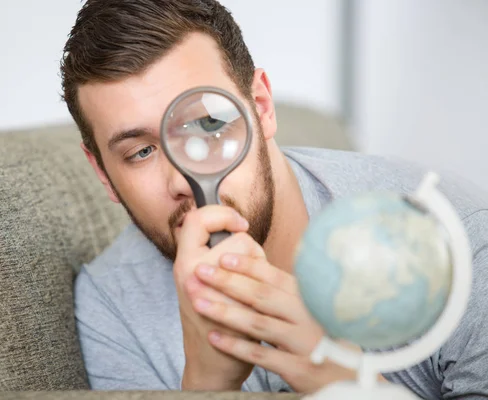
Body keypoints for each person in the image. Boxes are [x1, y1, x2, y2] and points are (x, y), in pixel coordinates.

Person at [60, 0, 488, 397]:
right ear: (103, 173)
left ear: (261, 107)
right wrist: (207, 385)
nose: (183, 178)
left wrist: (344, 383)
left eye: (207, 124)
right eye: (142, 152)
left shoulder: (459, 244)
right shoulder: (112, 305)